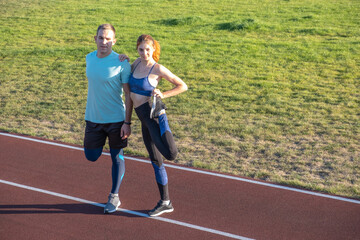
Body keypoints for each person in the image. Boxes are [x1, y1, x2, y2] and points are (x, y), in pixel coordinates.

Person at [121, 34, 187, 217]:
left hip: (155, 120)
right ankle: (165, 202)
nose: (144, 53)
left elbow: (183, 85)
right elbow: (129, 97)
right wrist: (123, 59)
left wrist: (163, 95)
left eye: (148, 49)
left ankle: (164, 114)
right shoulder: (135, 64)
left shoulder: (157, 69)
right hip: (143, 121)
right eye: (141, 49)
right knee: (156, 161)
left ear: (153, 49)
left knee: (171, 154)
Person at [84, 24, 132, 214]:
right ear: (94, 38)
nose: (104, 42)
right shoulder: (88, 58)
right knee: (91, 156)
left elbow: (128, 95)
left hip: (116, 120)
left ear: (114, 41)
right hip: (93, 118)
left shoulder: (121, 62)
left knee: (116, 157)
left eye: (108, 39)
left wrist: (127, 123)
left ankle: (114, 196)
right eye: (101, 38)